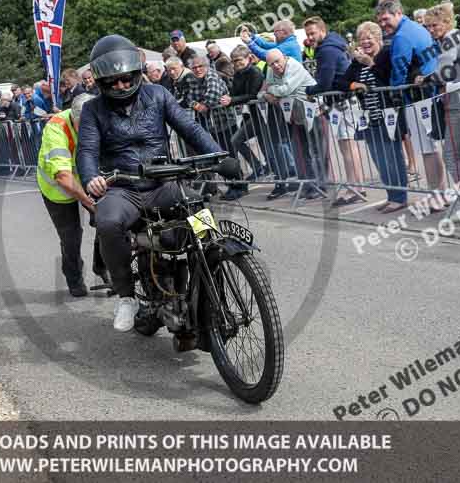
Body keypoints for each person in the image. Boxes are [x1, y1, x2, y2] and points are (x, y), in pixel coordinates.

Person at [77, 35, 223, 333]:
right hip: (123, 187)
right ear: (102, 82)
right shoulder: (93, 110)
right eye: (113, 81)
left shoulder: (158, 94)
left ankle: (217, 280)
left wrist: (218, 154)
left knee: (203, 217)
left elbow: (190, 127)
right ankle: (127, 296)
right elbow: (87, 150)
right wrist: (91, 177)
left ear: (136, 73)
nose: (121, 86)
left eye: (126, 79)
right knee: (107, 222)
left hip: (164, 182)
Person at [377, 0, 446, 208]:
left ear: (398, 13)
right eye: (380, 20)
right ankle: (440, 192)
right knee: (431, 147)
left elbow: (399, 68)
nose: (382, 24)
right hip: (427, 93)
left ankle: (437, 195)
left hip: (418, 97)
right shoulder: (417, 28)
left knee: (427, 149)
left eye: (386, 19)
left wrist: (394, 94)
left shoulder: (402, 36)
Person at [37, 93, 108, 297]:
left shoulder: (100, 116)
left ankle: (101, 266)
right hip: (58, 188)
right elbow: (63, 177)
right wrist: (89, 203)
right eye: (83, 127)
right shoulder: (56, 128)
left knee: (109, 219)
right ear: (75, 120)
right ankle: (74, 278)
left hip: (89, 178)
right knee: (71, 237)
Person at [338, 21, 409, 213]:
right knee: (379, 159)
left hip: (389, 116)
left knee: (392, 157)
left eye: (369, 38)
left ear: (378, 38)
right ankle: (391, 195)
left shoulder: (385, 55)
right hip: (369, 118)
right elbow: (342, 82)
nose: (366, 42)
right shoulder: (357, 61)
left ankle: (400, 197)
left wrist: (371, 64)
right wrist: (355, 86)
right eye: (362, 39)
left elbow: (387, 78)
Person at [420, 2, 460, 201]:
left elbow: (445, 72)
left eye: (434, 25)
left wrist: (426, 79)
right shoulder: (455, 36)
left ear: (447, 22)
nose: (431, 30)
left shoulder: (449, 38)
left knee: (452, 155)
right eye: (428, 26)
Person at [302, 16, 364, 206]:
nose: (310, 37)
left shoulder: (327, 50)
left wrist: (309, 90)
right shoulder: (332, 44)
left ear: (322, 30)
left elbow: (325, 83)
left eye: (312, 33)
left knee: (348, 145)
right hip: (340, 100)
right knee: (347, 145)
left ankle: (356, 187)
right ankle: (354, 186)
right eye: (307, 34)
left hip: (343, 101)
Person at [258, 48, 317, 200]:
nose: (275, 66)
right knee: (301, 151)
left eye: (277, 61)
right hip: (293, 113)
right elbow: (260, 94)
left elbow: (286, 89)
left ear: (284, 57)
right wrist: (267, 94)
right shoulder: (271, 69)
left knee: (314, 151)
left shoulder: (294, 65)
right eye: (271, 64)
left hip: (312, 109)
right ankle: (308, 185)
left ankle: (318, 185)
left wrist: (269, 91)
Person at [220, 44, 269, 201]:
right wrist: (229, 97)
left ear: (248, 58)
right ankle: (258, 167)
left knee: (268, 146)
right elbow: (236, 92)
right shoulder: (238, 73)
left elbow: (252, 94)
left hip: (262, 114)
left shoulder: (255, 72)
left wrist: (232, 100)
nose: (236, 63)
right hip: (251, 116)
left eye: (239, 60)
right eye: (233, 61)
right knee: (236, 140)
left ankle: (281, 176)